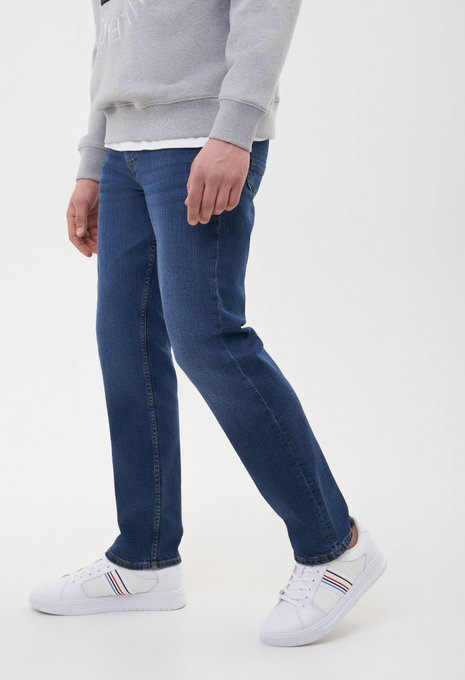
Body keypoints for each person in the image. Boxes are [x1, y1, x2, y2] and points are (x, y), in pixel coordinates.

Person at [29, 0, 386, 646]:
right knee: (125, 341)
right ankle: (144, 561)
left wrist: (235, 127)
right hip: (123, 151)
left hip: (200, 138)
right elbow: (112, 41)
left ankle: (336, 547)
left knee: (207, 338)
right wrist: (92, 161)